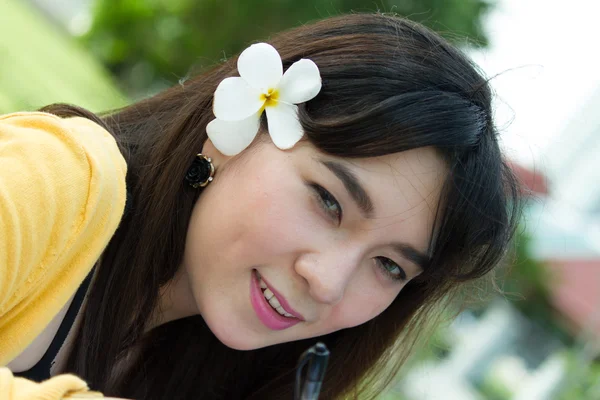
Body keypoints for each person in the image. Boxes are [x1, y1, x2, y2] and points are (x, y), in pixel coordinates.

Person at [0, 12, 521, 400]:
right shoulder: (62, 177)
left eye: (390, 265)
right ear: (235, 131)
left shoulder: (218, 372)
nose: (328, 281)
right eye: (328, 201)